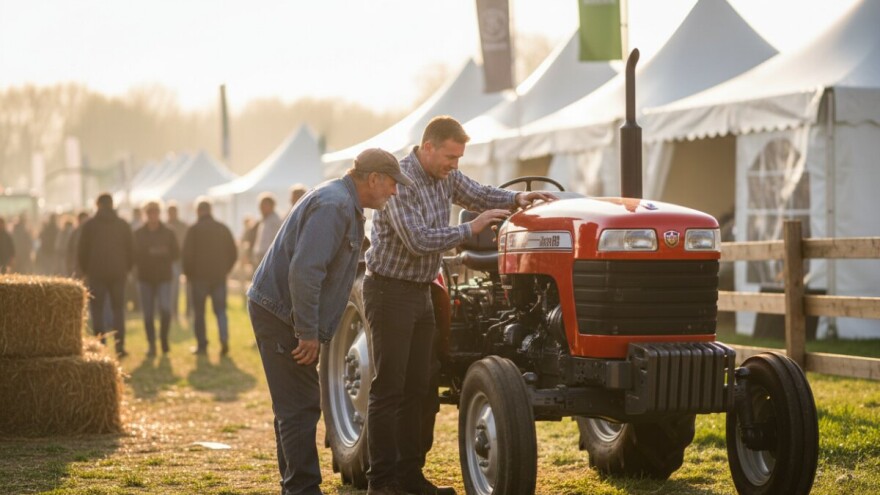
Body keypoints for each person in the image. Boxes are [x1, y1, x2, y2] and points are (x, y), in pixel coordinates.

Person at [364, 116, 555, 495]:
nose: (455, 164)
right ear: (428, 147)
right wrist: (472, 228)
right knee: (391, 388)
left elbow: (478, 193)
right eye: (451, 156)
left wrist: (517, 199)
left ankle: (410, 476)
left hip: (421, 291)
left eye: (459, 157)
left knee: (422, 388)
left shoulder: (446, 175)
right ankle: (381, 483)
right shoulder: (400, 181)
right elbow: (418, 240)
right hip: (389, 292)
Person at [248, 147, 410, 495]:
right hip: (281, 313)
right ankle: (303, 488)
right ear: (374, 179)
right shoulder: (335, 207)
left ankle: (296, 486)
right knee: (300, 406)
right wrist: (306, 332)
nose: (395, 192)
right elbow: (305, 273)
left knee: (293, 405)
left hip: (279, 308)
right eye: (392, 184)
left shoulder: (341, 202)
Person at [78, 193, 134, 357]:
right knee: (118, 309)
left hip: (96, 272)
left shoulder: (90, 226)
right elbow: (131, 249)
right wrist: (126, 268)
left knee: (97, 310)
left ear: (97, 205)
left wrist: (86, 270)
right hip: (118, 272)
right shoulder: (122, 224)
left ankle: (100, 345)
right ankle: (120, 345)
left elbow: (82, 251)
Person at [182, 198, 237, 356]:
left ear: (198, 211)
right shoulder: (222, 228)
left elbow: (186, 255)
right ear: (210, 210)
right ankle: (224, 338)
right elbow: (233, 252)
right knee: (220, 311)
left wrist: (189, 275)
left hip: (198, 278)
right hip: (219, 276)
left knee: (199, 313)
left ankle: (202, 345)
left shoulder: (193, 230)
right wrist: (225, 270)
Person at [134, 200, 180, 356]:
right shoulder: (139, 233)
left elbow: (176, 253)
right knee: (148, 313)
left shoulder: (168, 232)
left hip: (164, 277)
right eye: (150, 213)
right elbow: (134, 254)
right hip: (145, 277)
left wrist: (160, 253)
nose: (153, 215)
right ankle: (151, 344)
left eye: (155, 212)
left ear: (159, 213)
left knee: (165, 310)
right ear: (146, 214)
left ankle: (164, 340)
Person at [165, 202, 189, 321]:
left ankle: (176, 311)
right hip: (169, 260)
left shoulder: (181, 226)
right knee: (172, 287)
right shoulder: (166, 226)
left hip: (178, 259)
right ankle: (172, 311)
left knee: (176, 287)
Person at [252, 193, 282, 265]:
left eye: (263, 206)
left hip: (268, 258)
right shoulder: (265, 220)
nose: (261, 208)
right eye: (260, 206)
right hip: (261, 257)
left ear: (271, 206)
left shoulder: (275, 221)